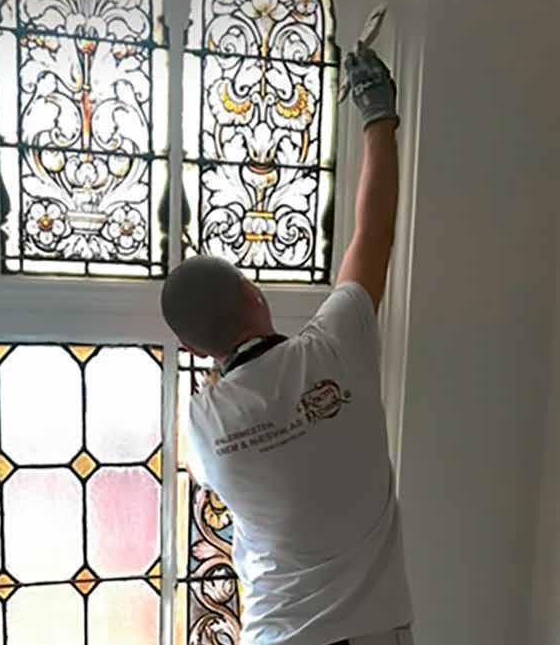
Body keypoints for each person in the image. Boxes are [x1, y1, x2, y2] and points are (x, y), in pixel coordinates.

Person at [160, 43, 413, 645]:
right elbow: (373, 234)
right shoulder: (337, 345)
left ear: (192, 349)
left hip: (278, 634)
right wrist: (377, 115)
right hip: (374, 632)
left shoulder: (203, 422)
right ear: (255, 294)